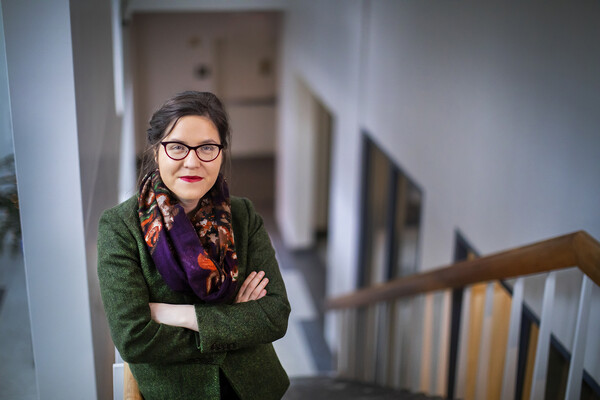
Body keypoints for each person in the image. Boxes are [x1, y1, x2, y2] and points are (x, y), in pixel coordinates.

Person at [97, 91, 290, 400]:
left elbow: (275, 315)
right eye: (177, 147)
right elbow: (134, 338)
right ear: (156, 151)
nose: (192, 161)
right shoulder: (120, 228)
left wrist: (184, 316)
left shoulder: (242, 215)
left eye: (207, 148)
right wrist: (235, 323)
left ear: (221, 153)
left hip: (256, 388)